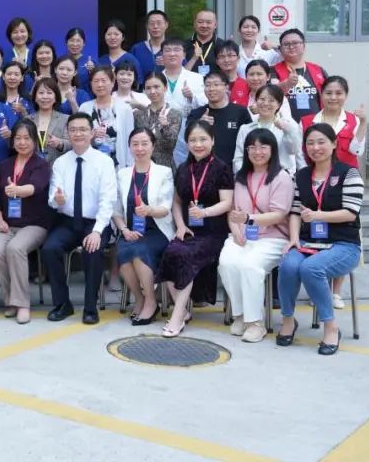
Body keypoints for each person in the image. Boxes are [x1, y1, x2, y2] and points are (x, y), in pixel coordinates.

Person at [277, 123, 364, 356]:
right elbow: (295, 211)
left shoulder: (349, 173)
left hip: (343, 244)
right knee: (288, 265)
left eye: (321, 142)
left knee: (311, 268)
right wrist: (293, 238)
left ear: (334, 144)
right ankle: (288, 319)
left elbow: (350, 212)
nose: (315, 147)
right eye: (310, 143)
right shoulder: (302, 175)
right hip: (308, 242)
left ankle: (331, 326)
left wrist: (318, 216)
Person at [156, 121, 234, 337]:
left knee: (185, 256)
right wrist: (180, 225)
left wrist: (205, 213)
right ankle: (183, 308)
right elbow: (177, 201)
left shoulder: (222, 168)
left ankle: (177, 316)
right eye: (193, 140)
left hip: (213, 230)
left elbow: (227, 203)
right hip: (189, 229)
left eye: (203, 139)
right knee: (169, 252)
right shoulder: (183, 168)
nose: (198, 144)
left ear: (213, 141)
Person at [219, 128, 294, 343]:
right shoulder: (240, 177)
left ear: (273, 150)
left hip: (272, 238)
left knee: (249, 266)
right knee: (227, 263)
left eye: (263, 147)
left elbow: (279, 214)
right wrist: (236, 232)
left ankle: (255, 323)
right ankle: (240, 315)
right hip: (243, 235)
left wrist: (248, 219)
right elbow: (233, 212)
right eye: (252, 147)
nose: (257, 152)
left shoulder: (281, 177)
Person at [43, 113, 116, 324]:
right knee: (50, 249)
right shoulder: (60, 163)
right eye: (73, 130)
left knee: (92, 250)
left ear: (92, 133)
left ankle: (90, 307)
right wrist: (57, 200)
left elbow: (108, 201)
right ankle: (62, 303)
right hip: (67, 221)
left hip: (95, 222)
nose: (78, 134)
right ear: (67, 133)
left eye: (83, 129)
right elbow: (52, 199)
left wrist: (97, 231)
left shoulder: (104, 162)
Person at [0, 119, 51, 324]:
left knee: (15, 248)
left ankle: (23, 304)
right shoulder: (4, 165)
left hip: (34, 224)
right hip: (6, 223)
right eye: (18, 138)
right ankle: (11, 300)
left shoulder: (42, 165)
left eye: (27, 138)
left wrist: (17, 190)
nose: (22, 142)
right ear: (12, 141)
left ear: (34, 141)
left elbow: (35, 188)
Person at [112, 128, 175, 326]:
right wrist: (124, 230)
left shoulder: (164, 172)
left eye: (144, 143)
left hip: (156, 230)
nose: (140, 148)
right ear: (129, 147)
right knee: (123, 254)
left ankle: (150, 301)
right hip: (130, 230)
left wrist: (150, 210)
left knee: (139, 252)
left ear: (153, 146)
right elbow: (116, 210)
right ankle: (139, 299)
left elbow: (165, 208)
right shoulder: (122, 174)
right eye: (135, 144)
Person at [234, 84, 304, 174]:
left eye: (271, 100)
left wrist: (287, 130)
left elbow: (294, 150)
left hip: (281, 177)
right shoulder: (245, 129)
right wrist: (247, 176)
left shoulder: (288, 126)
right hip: (252, 177)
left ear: (279, 104)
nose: (266, 103)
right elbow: (238, 159)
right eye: (262, 99)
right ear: (256, 101)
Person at [301, 76, 367, 169]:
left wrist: (363, 123)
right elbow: (299, 154)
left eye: (338, 93)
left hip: (347, 174)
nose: (333, 97)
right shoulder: (306, 122)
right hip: (316, 174)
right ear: (321, 94)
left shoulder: (354, 120)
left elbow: (357, 151)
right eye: (328, 93)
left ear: (346, 95)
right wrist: (305, 173)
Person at [188, 71, 252, 165]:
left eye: (216, 84)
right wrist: (200, 125)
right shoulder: (196, 113)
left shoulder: (240, 112)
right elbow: (188, 139)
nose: (211, 89)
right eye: (207, 85)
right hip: (203, 168)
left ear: (226, 87)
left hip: (233, 167)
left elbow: (250, 140)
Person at [79, 66, 135, 168]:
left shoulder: (124, 108)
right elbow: (79, 137)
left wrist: (129, 166)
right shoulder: (85, 108)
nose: (100, 84)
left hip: (117, 164)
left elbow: (129, 139)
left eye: (103, 80)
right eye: (96, 81)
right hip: (90, 164)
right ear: (91, 84)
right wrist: (92, 135)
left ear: (113, 83)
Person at [272, 29, 328, 122]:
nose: (291, 47)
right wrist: (286, 84)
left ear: (304, 45)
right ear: (280, 48)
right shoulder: (272, 70)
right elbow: (269, 93)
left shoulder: (318, 70)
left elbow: (330, 95)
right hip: (284, 125)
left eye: (295, 43)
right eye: (286, 44)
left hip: (316, 125)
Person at [133, 73, 182, 170]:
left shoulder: (174, 114)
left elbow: (171, 144)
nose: (152, 91)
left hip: (165, 167)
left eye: (156, 87)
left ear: (165, 87)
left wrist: (165, 126)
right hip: (142, 167)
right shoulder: (138, 115)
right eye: (148, 88)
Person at [29, 78, 72, 163]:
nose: (45, 96)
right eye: (41, 93)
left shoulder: (66, 119)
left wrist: (59, 143)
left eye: (49, 93)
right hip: (33, 167)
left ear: (56, 97)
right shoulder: (28, 120)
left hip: (57, 167)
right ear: (35, 98)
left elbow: (72, 144)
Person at [131, 9, 169, 80]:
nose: (155, 26)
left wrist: (170, 64)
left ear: (166, 25)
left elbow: (184, 72)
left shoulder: (174, 49)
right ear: (147, 26)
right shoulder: (137, 49)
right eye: (152, 23)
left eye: (159, 23)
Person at [184, 9, 224, 74]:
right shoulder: (184, 45)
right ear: (194, 24)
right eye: (200, 22)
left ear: (215, 25)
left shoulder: (223, 45)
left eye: (208, 22)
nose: (204, 25)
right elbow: (179, 72)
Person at [63, 27, 96, 93]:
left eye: (78, 41)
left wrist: (93, 71)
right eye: (72, 40)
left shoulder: (91, 62)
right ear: (66, 42)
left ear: (84, 43)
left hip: (86, 98)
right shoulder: (61, 62)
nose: (75, 44)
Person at [215, 41, 249, 105]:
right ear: (217, 61)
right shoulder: (212, 85)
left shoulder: (247, 85)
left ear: (238, 58)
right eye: (222, 57)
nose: (226, 60)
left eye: (230, 56)